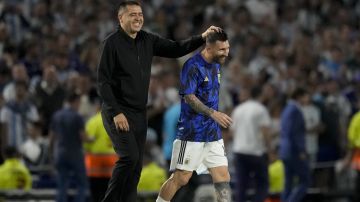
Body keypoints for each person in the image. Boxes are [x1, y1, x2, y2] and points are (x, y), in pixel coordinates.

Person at [97, 1, 221, 201]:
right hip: (118, 112)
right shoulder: (111, 44)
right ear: (121, 19)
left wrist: (202, 37)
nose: (138, 18)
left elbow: (176, 49)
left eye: (140, 14)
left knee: (136, 167)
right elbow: (103, 82)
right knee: (129, 158)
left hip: (139, 113)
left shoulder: (147, 40)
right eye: (132, 15)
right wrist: (116, 111)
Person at [156, 30, 232, 202]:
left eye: (227, 48)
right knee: (181, 178)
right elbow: (189, 97)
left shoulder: (216, 64)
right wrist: (213, 113)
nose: (226, 53)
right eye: (222, 50)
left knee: (223, 176)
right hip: (192, 132)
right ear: (209, 47)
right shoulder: (192, 65)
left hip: (212, 132)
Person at [230, 86, 273, 202]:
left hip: (239, 151)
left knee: (241, 185)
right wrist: (270, 151)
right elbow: (265, 132)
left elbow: (232, 131)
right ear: (261, 95)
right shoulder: (261, 109)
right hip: (256, 152)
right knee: (262, 184)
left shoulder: (238, 109)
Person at [50, 92, 89, 202]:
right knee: (82, 184)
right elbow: (83, 137)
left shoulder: (56, 115)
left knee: (62, 185)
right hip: (75, 154)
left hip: (60, 153)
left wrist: (51, 154)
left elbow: (52, 138)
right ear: (75, 101)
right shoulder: (77, 116)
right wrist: (92, 139)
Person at [279, 87, 310, 202]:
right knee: (305, 180)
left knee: (288, 182)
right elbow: (295, 132)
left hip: (285, 151)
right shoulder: (295, 110)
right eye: (306, 96)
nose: (308, 99)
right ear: (299, 96)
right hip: (294, 151)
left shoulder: (286, 109)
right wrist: (301, 150)